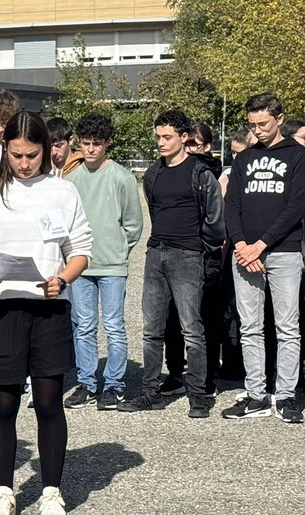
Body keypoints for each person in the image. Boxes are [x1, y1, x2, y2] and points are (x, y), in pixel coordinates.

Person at [0, 110, 93, 515]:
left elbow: (82, 249)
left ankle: (52, 491)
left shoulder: (63, 192)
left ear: (46, 150)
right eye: (15, 154)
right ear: (5, 151)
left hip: (49, 305)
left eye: (31, 154)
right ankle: (4, 491)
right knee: (3, 402)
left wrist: (63, 278)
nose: (23, 163)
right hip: (2, 307)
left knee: (50, 401)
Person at [117, 110, 224, 418]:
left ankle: (197, 396)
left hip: (188, 255)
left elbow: (216, 220)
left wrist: (199, 247)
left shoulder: (200, 173)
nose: (161, 143)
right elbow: (154, 208)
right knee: (152, 328)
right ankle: (151, 391)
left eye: (167, 137)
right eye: (158, 137)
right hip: (156, 254)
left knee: (192, 328)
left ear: (183, 137)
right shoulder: (153, 173)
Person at [221, 93, 305, 422]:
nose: (258, 131)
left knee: (287, 327)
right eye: (253, 125)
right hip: (245, 255)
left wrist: (262, 244)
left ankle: (285, 396)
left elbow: (296, 206)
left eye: (264, 124)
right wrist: (242, 245)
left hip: (283, 251)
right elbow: (232, 206)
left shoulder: (298, 157)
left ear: (280, 119)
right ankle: (255, 394)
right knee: (249, 327)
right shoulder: (244, 159)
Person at [62, 113, 143, 411]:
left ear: (107, 143)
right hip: (80, 265)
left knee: (114, 325)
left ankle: (114, 385)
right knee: (83, 325)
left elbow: (133, 224)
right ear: (79, 144)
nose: (92, 149)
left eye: (98, 143)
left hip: (112, 265)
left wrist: (120, 252)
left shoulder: (122, 177)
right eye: (86, 143)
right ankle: (86, 382)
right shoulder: (71, 180)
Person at [162, 121, 227, 396]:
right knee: (172, 317)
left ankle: (207, 375)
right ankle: (176, 372)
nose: (189, 149)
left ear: (207, 146)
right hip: (175, 253)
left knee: (205, 319)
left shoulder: (213, 173)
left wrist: (206, 247)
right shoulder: (166, 170)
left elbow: (216, 219)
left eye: (194, 145)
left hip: (204, 254)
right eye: (187, 143)